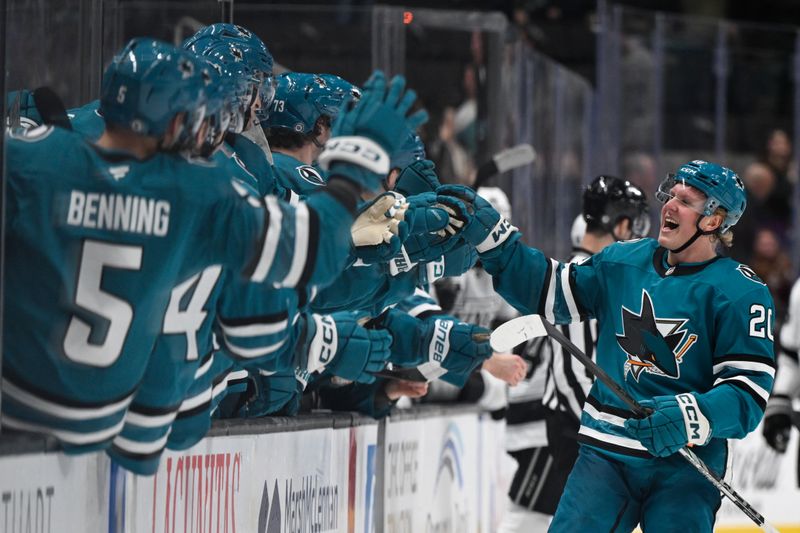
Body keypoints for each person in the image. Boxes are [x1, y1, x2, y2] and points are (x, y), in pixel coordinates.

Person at [439, 160, 775, 532]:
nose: (669, 205)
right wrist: (498, 245)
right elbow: (548, 290)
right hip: (607, 454)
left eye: (686, 200)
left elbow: (747, 394)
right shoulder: (623, 260)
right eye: (671, 194)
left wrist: (690, 415)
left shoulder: (741, 293)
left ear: (713, 220)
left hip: (686, 464)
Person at [499, 175, 650, 532]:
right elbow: (579, 377)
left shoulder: (576, 276)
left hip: (574, 425)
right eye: (638, 225)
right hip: (577, 429)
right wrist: (620, 424)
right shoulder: (583, 278)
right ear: (623, 224)